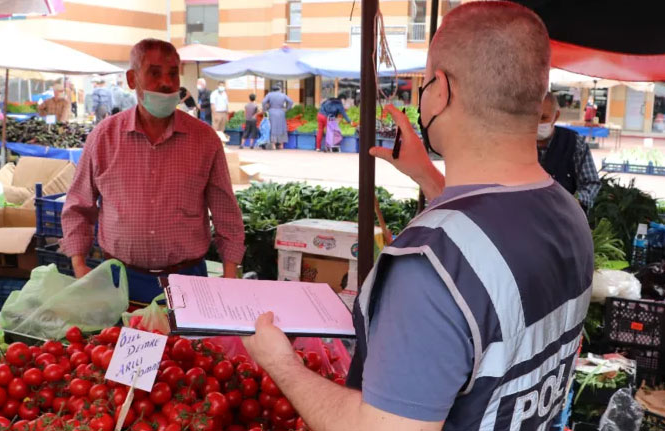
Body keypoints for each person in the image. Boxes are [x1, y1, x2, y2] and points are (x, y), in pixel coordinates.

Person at [242, 3, 593, 431]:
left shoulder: (429, 267)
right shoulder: (567, 212)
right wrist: (427, 175)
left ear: (440, 91)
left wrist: (283, 365)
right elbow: (490, 245)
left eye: (425, 83)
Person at [61, 38, 245, 303]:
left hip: (187, 278)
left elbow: (226, 211)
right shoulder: (103, 137)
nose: (166, 83)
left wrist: (230, 273)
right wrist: (79, 265)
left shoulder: (205, 140)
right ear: (132, 79)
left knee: (184, 346)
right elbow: (79, 205)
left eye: (172, 74)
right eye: (154, 73)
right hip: (119, 279)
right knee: (116, 344)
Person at [538, 92, 601, 212]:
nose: (537, 123)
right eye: (533, 117)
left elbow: (591, 183)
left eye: (543, 118)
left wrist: (576, 201)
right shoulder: (518, 143)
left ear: (555, 116)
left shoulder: (575, 143)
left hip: (563, 217)